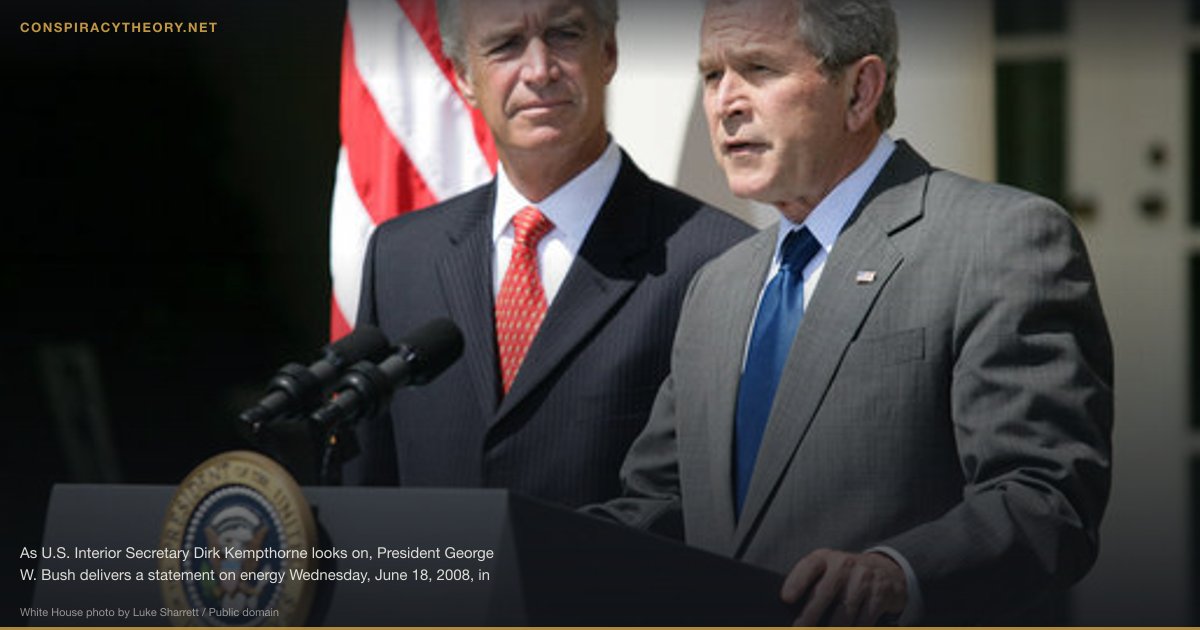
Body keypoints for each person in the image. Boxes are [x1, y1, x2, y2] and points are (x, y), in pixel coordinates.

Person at [587, 0, 1113, 624]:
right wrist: (494, 547)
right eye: (711, 75)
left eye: (759, 68)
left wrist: (900, 572)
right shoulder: (717, 287)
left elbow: (1045, 497)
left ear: (860, 90)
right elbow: (658, 505)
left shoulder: (1000, 240)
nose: (725, 102)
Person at [344, 0, 752, 508]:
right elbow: (366, 494)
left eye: (563, 35)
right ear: (465, 77)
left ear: (608, 53)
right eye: (506, 45)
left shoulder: (720, 260)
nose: (539, 70)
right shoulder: (399, 256)